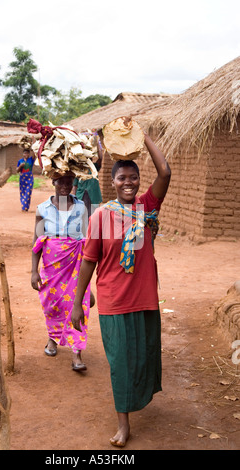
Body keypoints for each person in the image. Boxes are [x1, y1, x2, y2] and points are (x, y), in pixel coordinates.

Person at [71, 133, 171, 447]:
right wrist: (78, 303)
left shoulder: (146, 207)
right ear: (112, 182)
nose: (128, 182)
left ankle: (137, 400)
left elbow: (165, 172)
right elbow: (88, 262)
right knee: (121, 363)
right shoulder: (101, 216)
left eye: (133, 177)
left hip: (144, 300)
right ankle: (123, 424)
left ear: (140, 181)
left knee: (143, 357)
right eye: (122, 178)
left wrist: (143, 138)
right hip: (114, 301)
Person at [31, 172, 91, 371]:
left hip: (75, 266)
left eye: (69, 181)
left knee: (78, 305)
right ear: (53, 182)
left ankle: (77, 353)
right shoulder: (42, 209)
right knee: (53, 306)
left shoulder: (82, 207)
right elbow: (37, 242)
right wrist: (33, 271)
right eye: (60, 181)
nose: (65, 185)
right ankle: (53, 338)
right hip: (51, 267)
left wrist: (89, 282)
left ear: (73, 182)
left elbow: (87, 241)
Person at [72, 138, 103, 218]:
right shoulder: (78, 169)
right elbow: (75, 186)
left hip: (93, 196)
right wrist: (74, 200)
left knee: (93, 216)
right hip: (81, 196)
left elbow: (101, 158)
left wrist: (98, 145)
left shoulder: (94, 168)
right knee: (81, 217)